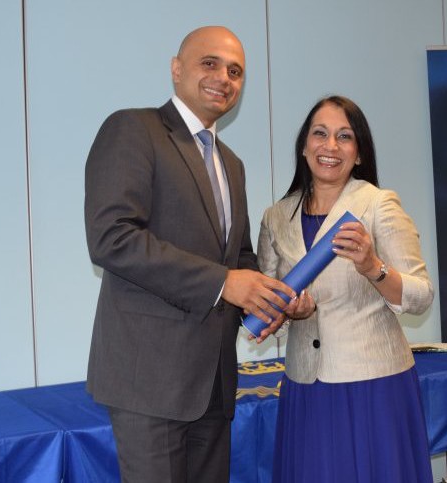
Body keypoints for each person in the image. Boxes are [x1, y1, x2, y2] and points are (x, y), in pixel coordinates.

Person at [83, 26, 300, 483]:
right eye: (210, 63)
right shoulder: (133, 129)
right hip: (149, 382)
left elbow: (238, 258)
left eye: (235, 71)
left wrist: (265, 301)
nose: (224, 78)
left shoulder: (232, 164)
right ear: (176, 69)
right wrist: (224, 283)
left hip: (214, 384)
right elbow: (112, 237)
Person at [257, 95, 435, 482]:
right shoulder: (276, 217)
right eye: (320, 134)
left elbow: (421, 296)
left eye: (345, 136)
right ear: (304, 146)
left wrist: (373, 267)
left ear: (359, 154)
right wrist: (288, 314)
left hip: (374, 385)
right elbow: (268, 309)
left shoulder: (379, 205)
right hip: (306, 385)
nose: (331, 146)